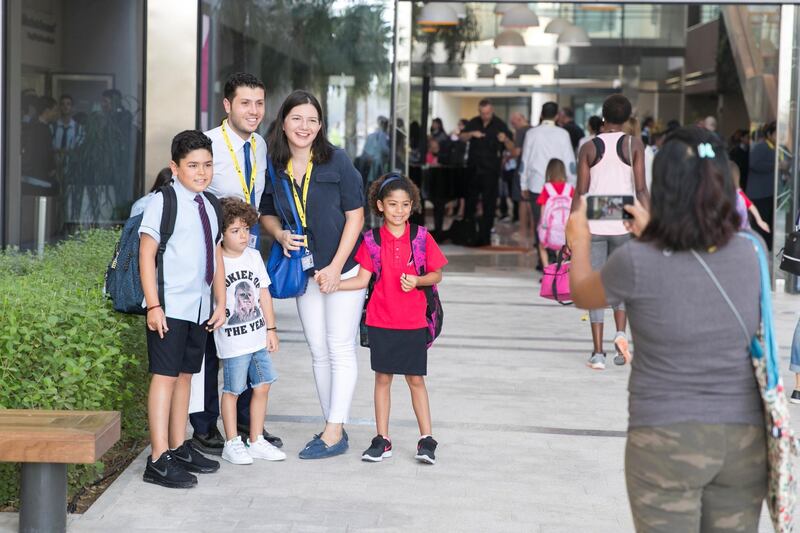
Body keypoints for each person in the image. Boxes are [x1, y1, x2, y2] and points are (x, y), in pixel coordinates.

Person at [567, 127, 767, 532]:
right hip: (743, 441)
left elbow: (585, 294)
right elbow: (694, 259)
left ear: (664, 186)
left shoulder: (638, 262)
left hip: (665, 439)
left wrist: (580, 241)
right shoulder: (752, 252)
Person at [260, 90, 365, 459]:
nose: (304, 127)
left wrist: (337, 268)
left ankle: (334, 432)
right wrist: (279, 234)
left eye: (312, 120)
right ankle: (331, 425)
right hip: (303, 271)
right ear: (283, 121)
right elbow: (266, 211)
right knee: (319, 351)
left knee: (339, 347)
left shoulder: (337, 161)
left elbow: (356, 216)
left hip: (342, 268)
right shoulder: (275, 164)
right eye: (297, 119)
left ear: (320, 125)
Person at [191, 72, 283, 455]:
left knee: (247, 335)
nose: (254, 110)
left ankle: (248, 425)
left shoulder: (260, 145)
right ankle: (206, 427)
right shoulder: (208, 144)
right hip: (211, 254)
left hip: (247, 248)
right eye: (245, 103)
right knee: (214, 345)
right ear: (227, 105)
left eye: (259, 103)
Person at [339, 173, 447, 465]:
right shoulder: (371, 240)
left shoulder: (422, 237)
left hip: (414, 321)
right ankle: (382, 439)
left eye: (405, 205)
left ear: (412, 207)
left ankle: (427, 439)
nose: (399, 211)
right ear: (380, 206)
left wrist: (419, 279)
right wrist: (333, 283)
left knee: (415, 379)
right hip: (381, 319)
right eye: (393, 204)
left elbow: (437, 274)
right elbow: (362, 279)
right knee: (383, 379)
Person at [139, 130, 225, 488]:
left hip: (200, 306)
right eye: (192, 165)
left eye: (207, 164)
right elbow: (146, 253)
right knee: (165, 376)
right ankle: (158, 458)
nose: (201, 172)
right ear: (175, 167)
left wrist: (220, 301)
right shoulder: (164, 200)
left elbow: (216, 254)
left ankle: (177, 446)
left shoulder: (211, 203)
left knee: (186, 376)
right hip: (170, 305)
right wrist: (154, 305)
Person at [572, 94, 649, 370]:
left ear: (603, 116)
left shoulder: (589, 147)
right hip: (624, 223)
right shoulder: (634, 144)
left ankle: (597, 352)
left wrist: (571, 229)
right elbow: (640, 189)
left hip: (594, 222)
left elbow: (581, 192)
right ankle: (620, 335)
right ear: (627, 118)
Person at [214, 197, 286, 465]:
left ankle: (255, 439)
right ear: (221, 233)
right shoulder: (217, 260)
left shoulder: (254, 256)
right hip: (233, 343)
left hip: (256, 338)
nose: (243, 235)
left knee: (263, 385)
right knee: (232, 391)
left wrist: (271, 328)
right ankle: (232, 442)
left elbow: (263, 294)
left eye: (246, 229)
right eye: (235, 230)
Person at [520, 102, 576, 260]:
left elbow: (525, 160)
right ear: (557, 115)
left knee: (540, 224)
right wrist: (572, 184)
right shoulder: (563, 133)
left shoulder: (531, 133)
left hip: (537, 184)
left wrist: (523, 183)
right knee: (560, 221)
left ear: (542, 115)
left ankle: (543, 261)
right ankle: (558, 259)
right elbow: (570, 161)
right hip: (560, 186)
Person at [459, 99, 513, 246]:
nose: (485, 116)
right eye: (482, 113)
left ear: (492, 110)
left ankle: (485, 236)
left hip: (491, 171)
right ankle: (469, 235)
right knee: (470, 203)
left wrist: (505, 139)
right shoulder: (474, 122)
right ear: (479, 111)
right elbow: (461, 137)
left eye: (488, 113)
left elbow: (511, 146)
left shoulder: (500, 124)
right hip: (473, 170)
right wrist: (471, 134)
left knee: (489, 205)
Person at [536, 158, 574, 268]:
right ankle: (560, 271)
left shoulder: (547, 188)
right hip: (566, 228)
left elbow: (543, 208)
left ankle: (547, 270)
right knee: (562, 249)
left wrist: (542, 224)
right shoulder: (569, 188)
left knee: (542, 246)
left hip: (550, 228)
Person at [746, 121, 777, 249]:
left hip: (770, 192)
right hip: (759, 193)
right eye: (776, 134)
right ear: (770, 134)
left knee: (769, 222)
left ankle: (767, 246)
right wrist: (776, 166)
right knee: (760, 223)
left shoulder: (775, 148)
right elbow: (754, 163)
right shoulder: (761, 146)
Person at [21, 96, 59, 195]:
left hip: (30, 175)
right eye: (54, 110)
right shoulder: (41, 129)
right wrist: (51, 167)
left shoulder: (32, 125)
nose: (56, 114)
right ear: (47, 111)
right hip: (39, 176)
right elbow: (44, 152)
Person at [731, 161, 770, 234]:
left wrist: (760, 221)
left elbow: (751, 206)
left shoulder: (738, 194)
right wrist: (760, 221)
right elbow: (751, 206)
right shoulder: (739, 194)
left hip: (740, 232)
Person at [729, 129, 750, 193]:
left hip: (747, 180)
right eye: (747, 137)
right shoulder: (735, 151)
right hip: (739, 179)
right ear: (742, 138)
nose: (749, 140)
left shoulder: (750, 150)